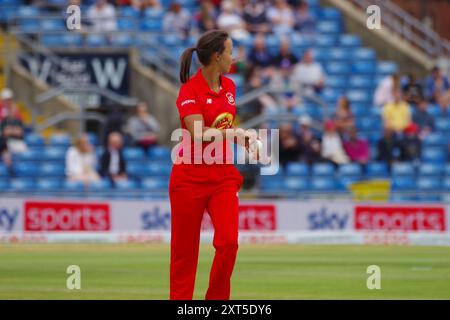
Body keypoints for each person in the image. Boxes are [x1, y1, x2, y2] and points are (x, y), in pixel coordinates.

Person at [170, 29, 258, 300]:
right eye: (230, 52)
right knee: (185, 253)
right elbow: (198, 133)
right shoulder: (189, 91)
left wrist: (242, 139)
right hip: (188, 179)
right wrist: (233, 134)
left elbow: (224, 125)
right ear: (217, 56)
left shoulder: (230, 87)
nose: (234, 57)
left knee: (229, 242)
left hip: (222, 176)